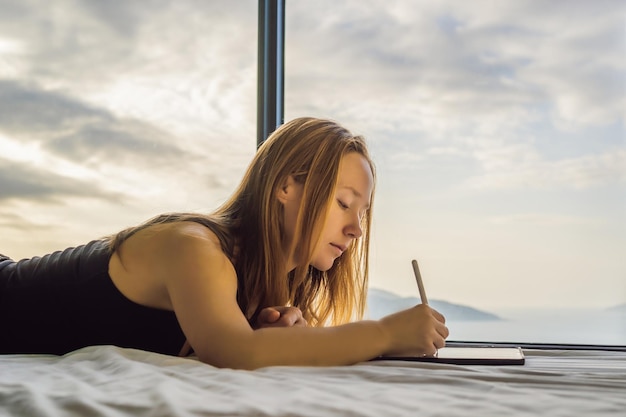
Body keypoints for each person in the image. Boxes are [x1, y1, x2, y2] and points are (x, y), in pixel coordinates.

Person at [0, 117, 448, 369]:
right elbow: (235, 352)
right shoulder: (194, 248)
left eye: (362, 213)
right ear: (285, 187)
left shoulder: (254, 279)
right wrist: (385, 334)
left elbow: (242, 342)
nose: (356, 229)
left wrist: (274, 331)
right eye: (343, 203)